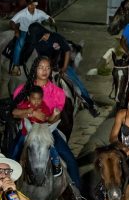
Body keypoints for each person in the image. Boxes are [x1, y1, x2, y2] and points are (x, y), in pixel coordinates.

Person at [12, 57, 82, 189]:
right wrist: (31, 113)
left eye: (47, 68)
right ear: (35, 69)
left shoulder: (58, 93)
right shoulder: (24, 89)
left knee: (70, 159)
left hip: (48, 130)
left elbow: (55, 119)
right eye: (40, 67)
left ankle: (78, 194)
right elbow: (14, 112)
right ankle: (6, 190)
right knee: (13, 155)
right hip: (27, 129)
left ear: (51, 70)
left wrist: (54, 115)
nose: (44, 71)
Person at [27, 25, 99, 117]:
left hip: (61, 66)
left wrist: (64, 67)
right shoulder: (38, 42)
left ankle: (90, 104)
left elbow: (67, 51)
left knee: (79, 86)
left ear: (42, 34)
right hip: (46, 67)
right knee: (31, 85)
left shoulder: (56, 37)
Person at [11, 85, 63, 175]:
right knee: (16, 148)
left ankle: (56, 162)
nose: (36, 102)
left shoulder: (44, 107)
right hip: (26, 132)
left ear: (42, 99)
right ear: (28, 98)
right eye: (33, 99)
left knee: (50, 145)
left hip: (40, 132)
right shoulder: (25, 105)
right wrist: (28, 112)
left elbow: (48, 119)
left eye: (39, 99)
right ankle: (12, 166)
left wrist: (54, 114)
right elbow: (14, 112)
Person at [9, 0, 50, 75]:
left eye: (33, 4)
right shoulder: (22, 13)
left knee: (50, 40)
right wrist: (16, 30)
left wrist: (51, 20)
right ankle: (16, 65)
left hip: (37, 32)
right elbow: (11, 21)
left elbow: (47, 17)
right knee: (19, 44)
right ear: (27, 4)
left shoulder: (39, 13)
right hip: (25, 31)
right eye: (30, 4)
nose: (32, 6)